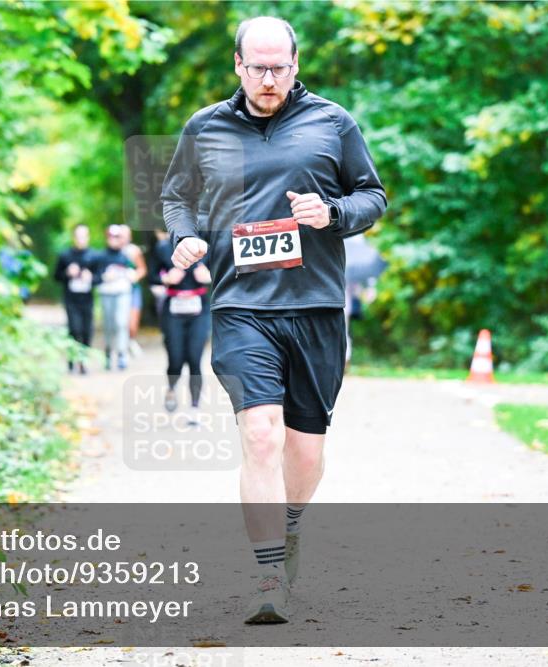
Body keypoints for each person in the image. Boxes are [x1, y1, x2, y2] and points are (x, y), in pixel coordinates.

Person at [160, 16, 388, 624]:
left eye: (279, 68)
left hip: (315, 307)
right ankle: (268, 579)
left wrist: (331, 213)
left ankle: (289, 527)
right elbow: (177, 195)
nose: (269, 79)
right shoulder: (205, 126)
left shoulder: (332, 123)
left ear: (296, 64)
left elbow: (372, 196)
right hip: (241, 306)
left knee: (305, 452)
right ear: (237, 65)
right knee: (261, 434)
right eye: (258, 68)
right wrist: (184, 236)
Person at [149, 235, 212, 422]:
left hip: (199, 309)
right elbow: (152, 277)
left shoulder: (205, 246)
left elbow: (224, 273)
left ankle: (194, 407)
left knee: (194, 359)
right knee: (175, 359)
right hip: (173, 310)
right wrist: (166, 279)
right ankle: (171, 388)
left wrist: (209, 277)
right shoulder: (163, 247)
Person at [53, 224, 98, 374]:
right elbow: (56, 276)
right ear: (74, 237)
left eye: (83, 236)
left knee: (87, 331)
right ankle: (72, 359)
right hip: (70, 299)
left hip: (87, 299)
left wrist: (91, 277)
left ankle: (83, 362)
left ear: (88, 237)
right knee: (74, 329)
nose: (81, 239)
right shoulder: (65, 255)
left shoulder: (94, 256)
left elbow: (100, 278)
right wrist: (67, 273)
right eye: (78, 236)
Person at [95, 225, 138, 370]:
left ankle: (121, 354)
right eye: (111, 237)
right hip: (106, 294)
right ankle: (108, 352)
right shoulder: (100, 256)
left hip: (122, 293)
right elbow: (94, 277)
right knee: (109, 325)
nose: (114, 240)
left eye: (117, 237)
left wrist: (130, 274)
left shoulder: (125, 256)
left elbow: (135, 272)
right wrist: (104, 277)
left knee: (121, 323)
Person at [119, 224, 148, 358]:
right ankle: (121, 346)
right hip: (118, 291)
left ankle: (131, 340)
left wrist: (135, 276)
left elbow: (142, 269)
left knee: (132, 321)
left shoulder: (134, 251)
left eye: (125, 235)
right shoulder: (112, 250)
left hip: (133, 289)